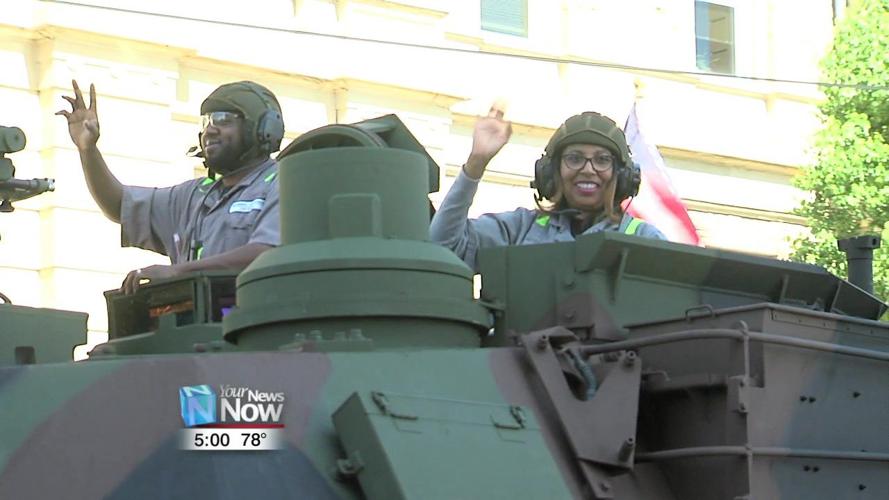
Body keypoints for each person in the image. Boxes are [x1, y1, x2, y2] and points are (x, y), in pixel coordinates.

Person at [56, 80, 285, 293]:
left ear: (264, 129)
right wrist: (88, 150)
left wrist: (178, 271)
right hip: (199, 327)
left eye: (224, 119)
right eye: (206, 122)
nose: (210, 130)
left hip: (252, 324)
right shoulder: (195, 195)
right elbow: (118, 205)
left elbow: (266, 254)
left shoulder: (283, 182)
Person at [430, 107, 666, 271]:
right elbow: (443, 249)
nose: (587, 169)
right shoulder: (519, 230)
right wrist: (476, 164)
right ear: (551, 173)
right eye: (574, 158)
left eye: (602, 160)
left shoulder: (642, 239)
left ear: (623, 176)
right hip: (523, 344)